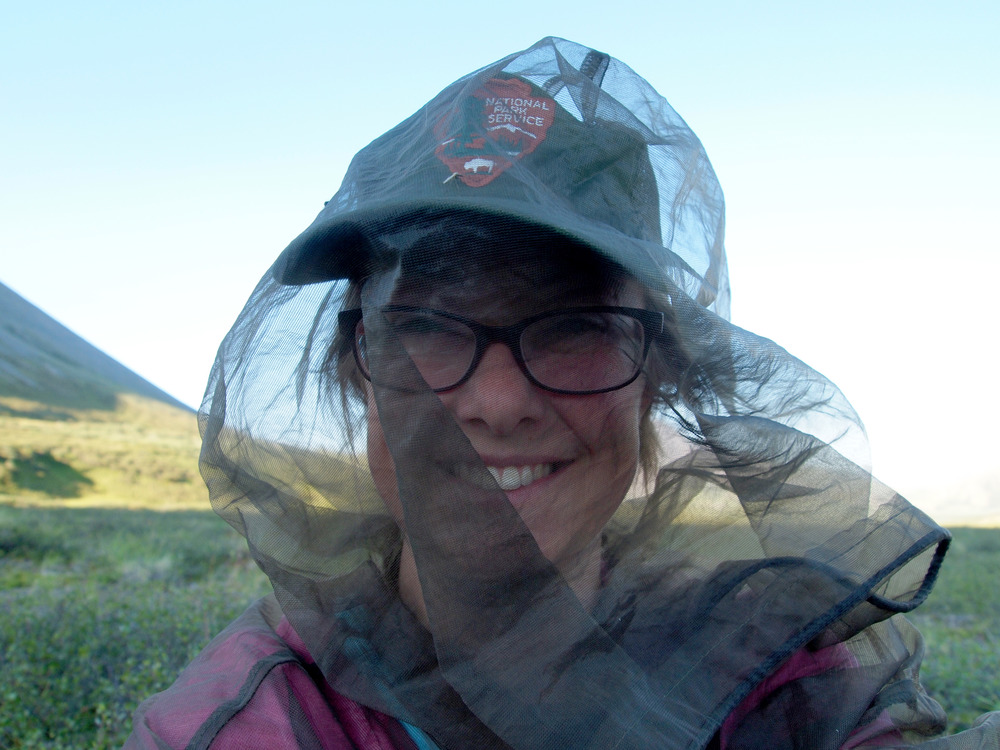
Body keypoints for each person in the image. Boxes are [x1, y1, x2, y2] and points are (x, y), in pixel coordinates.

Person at [126, 37, 999, 749]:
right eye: (427, 324)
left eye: (575, 323)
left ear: (662, 372)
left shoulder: (773, 682)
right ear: (358, 363)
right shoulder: (255, 722)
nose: (497, 403)